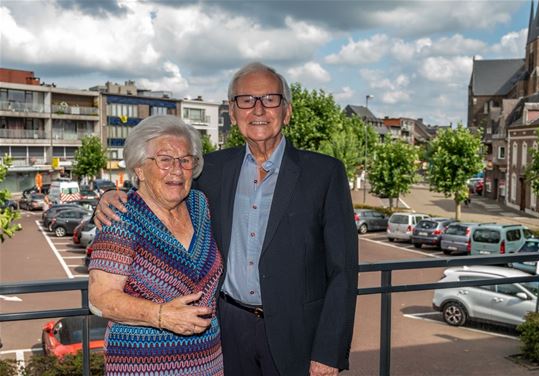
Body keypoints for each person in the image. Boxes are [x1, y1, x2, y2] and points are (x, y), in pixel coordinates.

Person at [96, 62, 358, 376]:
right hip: (226, 331)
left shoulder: (324, 173)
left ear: (286, 111)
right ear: (232, 115)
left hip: (296, 333)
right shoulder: (213, 170)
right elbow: (160, 182)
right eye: (246, 100)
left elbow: (343, 272)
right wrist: (111, 195)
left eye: (270, 99)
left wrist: (328, 352)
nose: (258, 109)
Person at [88, 115, 223, 375]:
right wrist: (161, 315)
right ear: (139, 168)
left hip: (208, 361)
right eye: (164, 159)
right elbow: (99, 299)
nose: (177, 169)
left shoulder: (199, 205)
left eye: (185, 160)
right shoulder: (121, 215)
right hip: (144, 363)